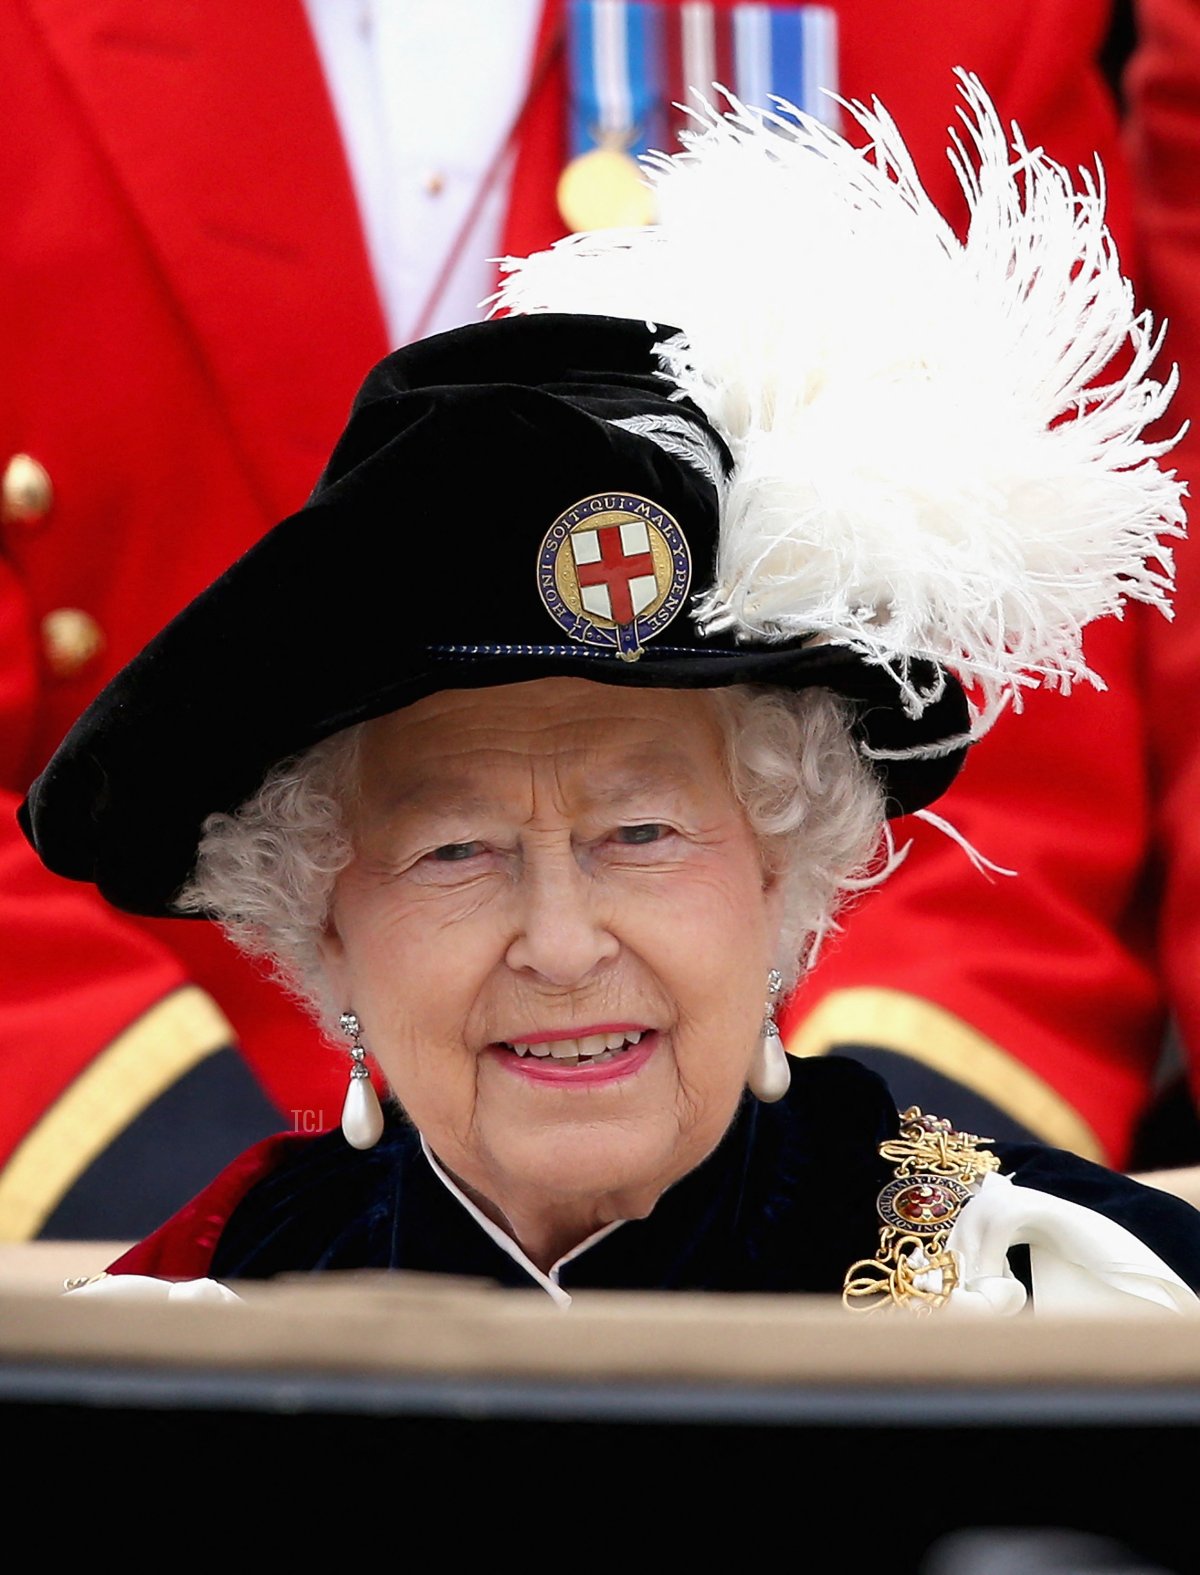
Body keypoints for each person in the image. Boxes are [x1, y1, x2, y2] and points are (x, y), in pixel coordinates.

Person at [0, 0, 1186, 1245]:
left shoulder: (950, 27)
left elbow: (1011, 726)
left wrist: (856, 1241)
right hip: (141, 1191)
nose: (559, 950)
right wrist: (197, 1250)